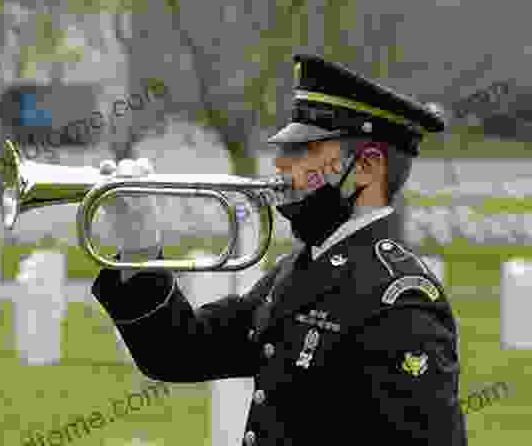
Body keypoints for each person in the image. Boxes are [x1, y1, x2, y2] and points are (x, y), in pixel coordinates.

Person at [91, 54, 468, 445]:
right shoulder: (304, 268)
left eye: (303, 150)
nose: (280, 163)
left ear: (368, 167)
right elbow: (180, 351)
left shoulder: (400, 300)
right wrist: (138, 245)